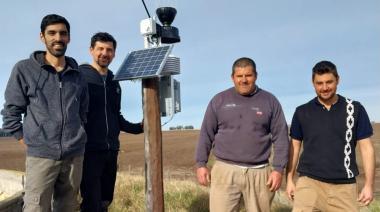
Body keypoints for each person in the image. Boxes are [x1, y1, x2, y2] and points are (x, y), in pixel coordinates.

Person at [1, 14, 88, 211]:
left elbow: (83, 111)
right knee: (35, 208)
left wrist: (78, 135)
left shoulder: (78, 75)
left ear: (69, 38)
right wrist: (31, 141)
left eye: (63, 33)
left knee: (69, 207)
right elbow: (11, 112)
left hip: (74, 156)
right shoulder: (24, 69)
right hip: (40, 156)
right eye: (52, 33)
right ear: (42, 37)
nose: (58, 38)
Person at [195, 57, 289, 212]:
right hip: (225, 171)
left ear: (256, 76)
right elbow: (206, 134)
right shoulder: (219, 100)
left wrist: (278, 169)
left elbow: (281, 138)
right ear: (233, 77)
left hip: (259, 174)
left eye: (248, 75)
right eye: (239, 76)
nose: (244, 80)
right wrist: (201, 164)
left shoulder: (270, 101)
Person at [286, 61, 375, 211]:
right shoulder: (302, 112)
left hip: (344, 187)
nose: (324, 87)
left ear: (338, 80)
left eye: (329, 82)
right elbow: (294, 147)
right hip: (309, 183)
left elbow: (367, 149)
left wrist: (369, 185)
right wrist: (289, 179)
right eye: (319, 83)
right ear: (313, 83)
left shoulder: (355, 109)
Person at [79, 32, 143, 212]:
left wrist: (139, 128)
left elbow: (116, 116)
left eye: (109, 50)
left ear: (114, 54)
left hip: (111, 151)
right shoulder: (80, 77)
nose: (104, 53)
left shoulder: (114, 82)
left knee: (106, 200)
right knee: (91, 202)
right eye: (100, 49)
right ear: (91, 50)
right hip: (88, 151)